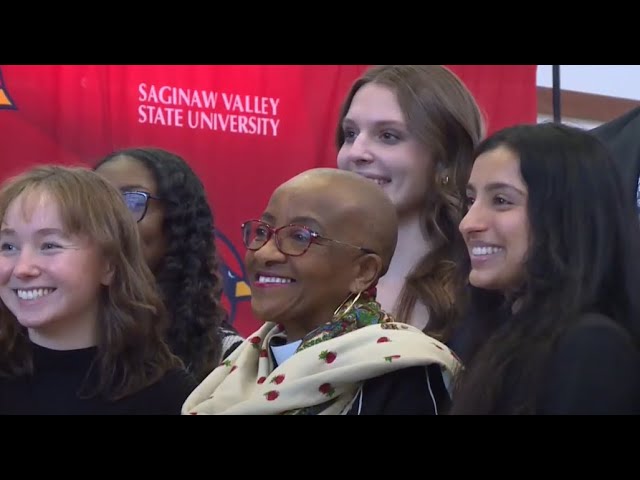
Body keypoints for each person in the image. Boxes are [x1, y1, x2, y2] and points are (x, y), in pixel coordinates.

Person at [182, 168, 461, 415]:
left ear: (363, 272)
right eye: (262, 232)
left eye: (300, 237)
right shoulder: (236, 365)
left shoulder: (403, 374)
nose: (265, 253)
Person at [450, 123, 640, 415]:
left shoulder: (590, 348)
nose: (467, 223)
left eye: (501, 201)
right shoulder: (494, 332)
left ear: (566, 216)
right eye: (471, 200)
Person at [0, 165, 196, 415]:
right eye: (8, 247)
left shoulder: (170, 396)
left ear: (109, 264)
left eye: (49, 245)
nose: (22, 268)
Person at [336, 65, 485, 344]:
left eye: (388, 136)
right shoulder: (321, 275)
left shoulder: (481, 291)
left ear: (446, 158)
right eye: (350, 134)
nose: (356, 153)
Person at [94, 148, 243, 382]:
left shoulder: (228, 358)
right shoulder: (50, 335)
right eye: (96, 204)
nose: (111, 221)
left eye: (132, 201)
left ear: (177, 219)